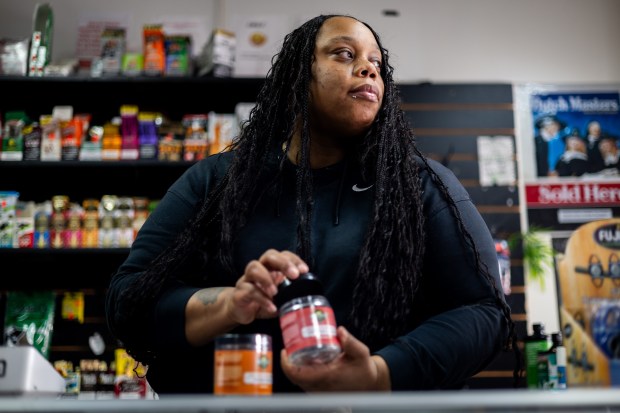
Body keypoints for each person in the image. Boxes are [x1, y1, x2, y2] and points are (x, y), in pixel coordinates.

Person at [105, 14, 517, 395]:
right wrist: (232, 303)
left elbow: (483, 312)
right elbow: (128, 303)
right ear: (298, 77)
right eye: (344, 54)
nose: (369, 68)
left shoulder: (421, 186)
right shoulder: (216, 182)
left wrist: (377, 374)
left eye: (376, 62)